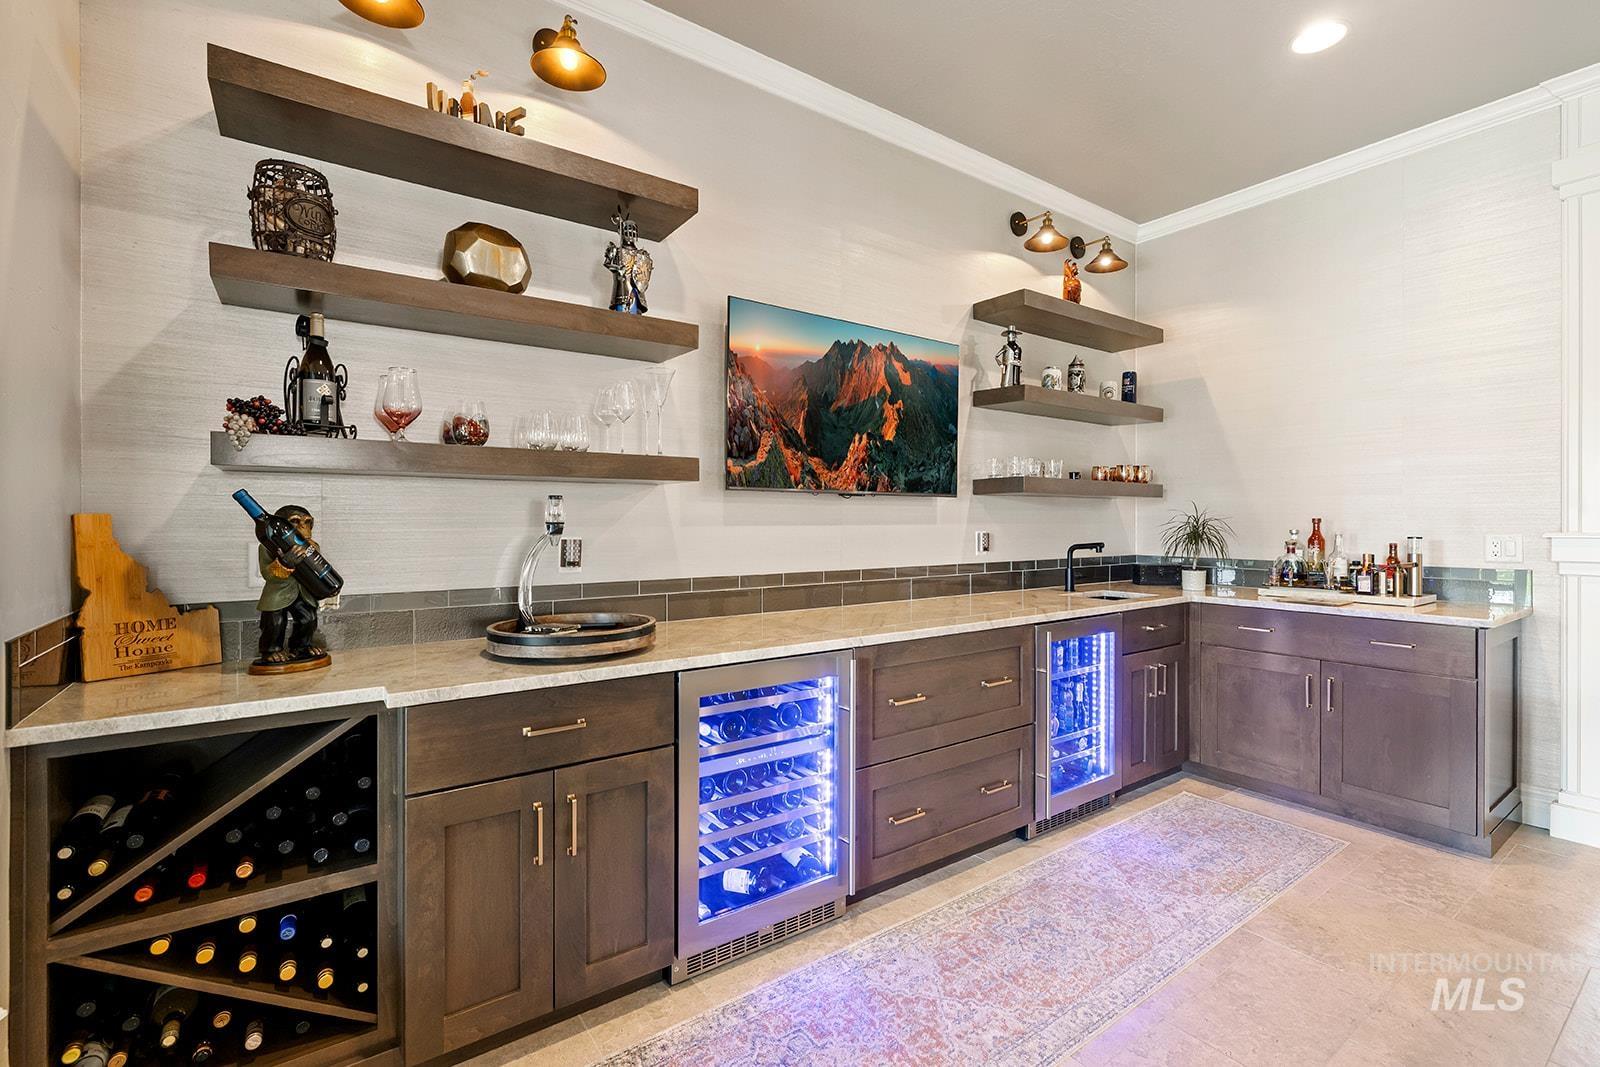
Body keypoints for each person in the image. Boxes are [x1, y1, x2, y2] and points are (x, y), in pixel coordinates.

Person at [255, 504, 327, 666]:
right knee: (275, 622)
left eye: (307, 522)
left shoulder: (311, 546)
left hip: (303, 591)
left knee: (308, 619)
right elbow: (268, 574)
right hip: (278, 593)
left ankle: (302, 647)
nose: (303, 526)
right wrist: (285, 561)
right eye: (295, 521)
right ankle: (270, 650)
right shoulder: (268, 547)